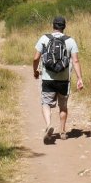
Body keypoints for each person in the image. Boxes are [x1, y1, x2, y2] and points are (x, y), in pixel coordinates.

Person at [33, 15, 84, 143]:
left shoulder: (44, 38)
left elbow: (35, 58)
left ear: (53, 26)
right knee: (63, 106)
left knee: (46, 103)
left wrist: (35, 71)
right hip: (64, 80)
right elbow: (76, 60)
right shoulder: (70, 41)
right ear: (64, 27)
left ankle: (49, 124)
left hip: (47, 79)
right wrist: (80, 78)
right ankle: (62, 131)